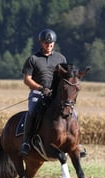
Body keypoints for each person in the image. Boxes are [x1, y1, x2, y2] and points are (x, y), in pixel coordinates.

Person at [19, 29, 86, 157]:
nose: (48, 46)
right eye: (46, 43)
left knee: (74, 114)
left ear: (54, 43)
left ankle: (76, 144)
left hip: (56, 95)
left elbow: (67, 76)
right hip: (38, 93)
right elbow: (27, 79)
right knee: (33, 111)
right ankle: (26, 142)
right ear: (41, 43)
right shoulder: (33, 59)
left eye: (51, 44)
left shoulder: (61, 58)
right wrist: (40, 88)